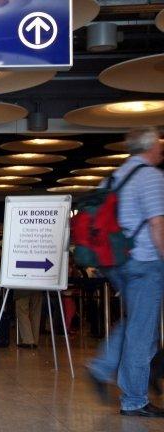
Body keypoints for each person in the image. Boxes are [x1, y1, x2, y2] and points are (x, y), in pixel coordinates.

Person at [88, 127, 164, 417]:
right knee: (142, 332)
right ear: (149, 147)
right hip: (145, 261)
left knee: (137, 321)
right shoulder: (151, 177)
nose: (161, 149)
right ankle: (134, 399)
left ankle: (103, 365)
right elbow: (158, 224)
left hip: (117, 261)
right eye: (158, 144)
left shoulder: (113, 178)